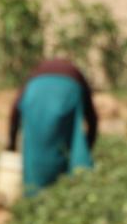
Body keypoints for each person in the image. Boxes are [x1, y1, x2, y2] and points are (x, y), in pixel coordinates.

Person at [6, 57, 99, 196]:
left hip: (36, 94)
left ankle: (35, 196)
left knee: (35, 148)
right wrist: (87, 146)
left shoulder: (34, 76)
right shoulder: (75, 75)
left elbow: (15, 111)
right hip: (69, 90)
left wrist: (11, 143)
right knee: (69, 145)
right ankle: (69, 192)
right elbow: (92, 117)